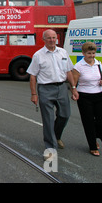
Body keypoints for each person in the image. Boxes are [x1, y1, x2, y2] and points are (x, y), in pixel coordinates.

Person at [27, 29, 78, 158]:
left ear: (57, 39)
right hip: (45, 89)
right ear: (43, 40)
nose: (51, 40)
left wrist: (73, 87)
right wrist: (34, 94)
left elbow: (69, 72)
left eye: (54, 37)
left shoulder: (63, 52)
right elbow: (33, 76)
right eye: (48, 38)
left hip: (61, 88)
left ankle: (56, 136)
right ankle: (51, 149)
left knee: (65, 115)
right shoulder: (38, 55)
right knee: (48, 120)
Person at [72, 42, 102, 156]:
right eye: (89, 53)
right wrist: (74, 91)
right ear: (83, 53)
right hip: (84, 96)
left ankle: (95, 136)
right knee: (88, 121)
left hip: (99, 95)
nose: (92, 56)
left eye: (93, 53)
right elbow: (73, 83)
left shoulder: (98, 64)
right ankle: (92, 146)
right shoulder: (79, 66)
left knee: (100, 120)